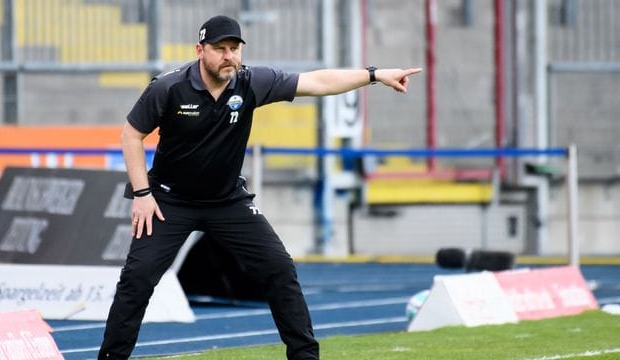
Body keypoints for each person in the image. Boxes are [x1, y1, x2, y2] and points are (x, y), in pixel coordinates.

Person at [98, 14, 421, 360]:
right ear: (200, 50)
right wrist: (143, 194)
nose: (228, 56)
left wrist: (374, 75)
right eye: (219, 49)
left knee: (280, 268)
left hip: (227, 201)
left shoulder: (251, 82)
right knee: (136, 281)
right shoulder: (168, 87)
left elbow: (318, 81)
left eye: (234, 48)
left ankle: (305, 356)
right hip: (170, 201)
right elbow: (131, 135)